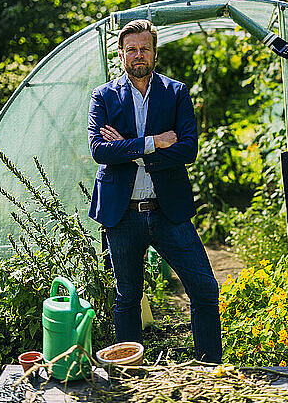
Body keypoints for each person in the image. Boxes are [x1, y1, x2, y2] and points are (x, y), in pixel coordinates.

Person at [88, 19, 222, 363]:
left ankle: (210, 369)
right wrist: (153, 143)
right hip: (123, 214)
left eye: (144, 48)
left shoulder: (176, 93)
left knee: (205, 291)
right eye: (131, 49)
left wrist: (130, 151)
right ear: (121, 54)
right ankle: (130, 374)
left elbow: (188, 150)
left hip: (168, 211)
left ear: (155, 53)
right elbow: (100, 151)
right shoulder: (103, 96)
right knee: (127, 298)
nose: (138, 55)